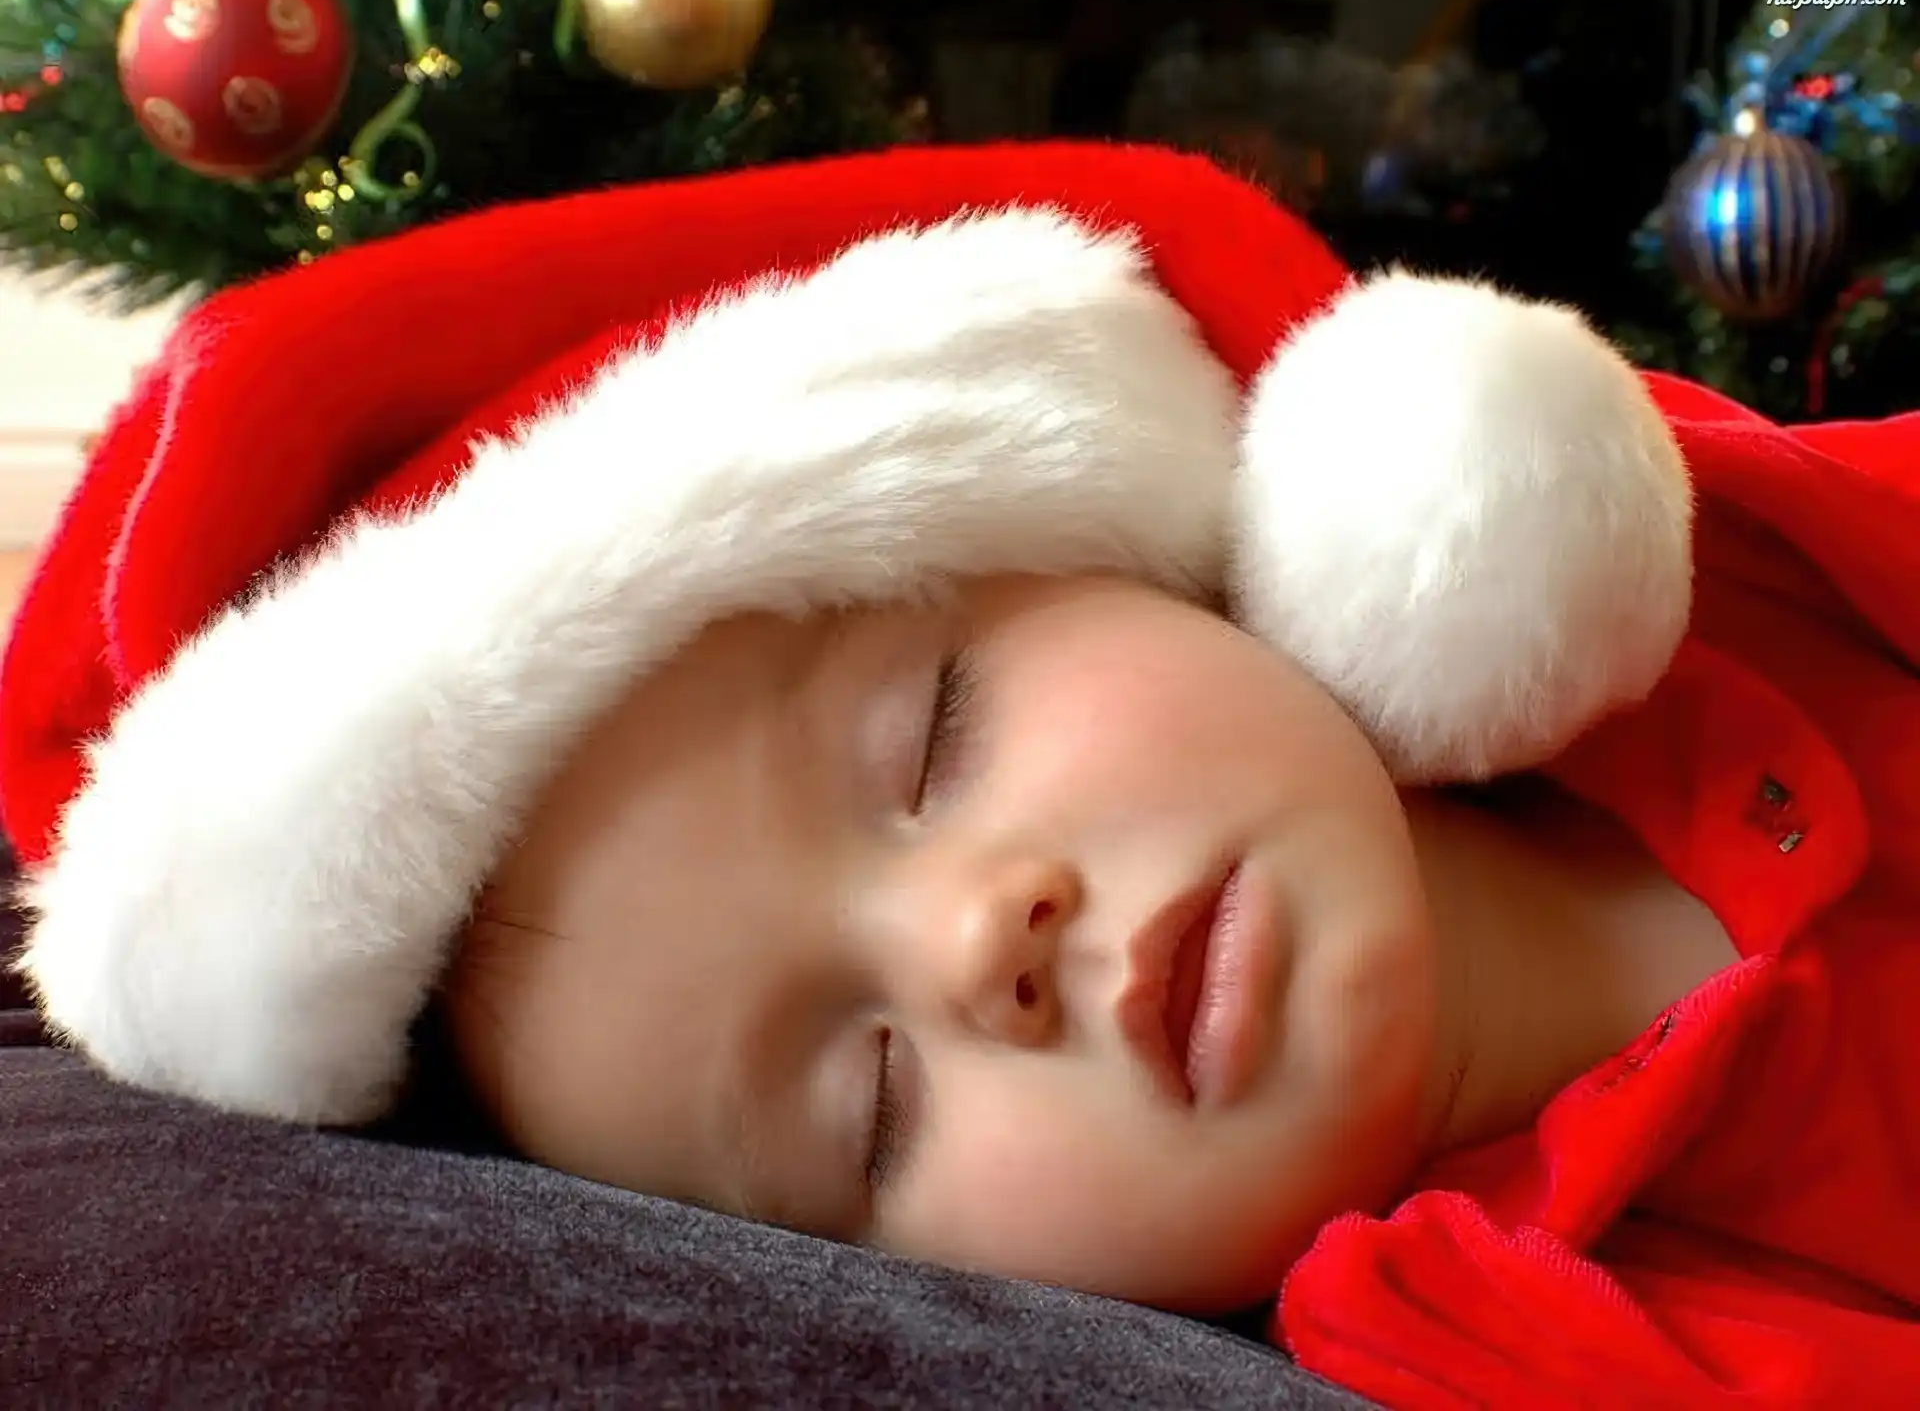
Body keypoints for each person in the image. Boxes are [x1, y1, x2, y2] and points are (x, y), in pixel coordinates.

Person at [4, 142, 1917, 1408]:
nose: (978, 943)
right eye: (871, 1109)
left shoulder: (1757, 550)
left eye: (930, 738)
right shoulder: (1508, 1343)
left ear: (1137, 557)